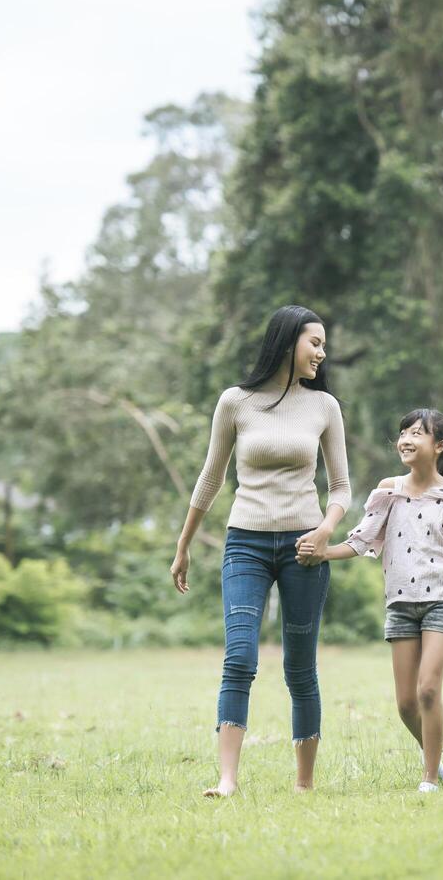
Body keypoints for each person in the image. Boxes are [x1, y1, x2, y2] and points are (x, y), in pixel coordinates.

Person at [170, 304, 352, 798]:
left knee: (299, 665)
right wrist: (184, 544)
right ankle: (227, 779)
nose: (322, 352)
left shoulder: (324, 406)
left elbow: (340, 487)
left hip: (305, 548)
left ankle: (305, 783)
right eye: (314, 342)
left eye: (323, 345)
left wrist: (325, 530)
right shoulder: (236, 401)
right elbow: (211, 476)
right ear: (288, 340)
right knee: (240, 656)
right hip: (245, 542)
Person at [298, 408, 443, 792]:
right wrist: (322, 552)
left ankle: (429, 778)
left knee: (428, 689)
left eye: (417, 434)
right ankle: (435, 756)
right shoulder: (389, 491)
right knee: (406, 703)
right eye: (403, 432)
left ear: (439, 446)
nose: (406, 440)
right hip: (400, 604)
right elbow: (360, 541)